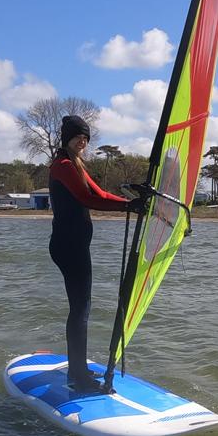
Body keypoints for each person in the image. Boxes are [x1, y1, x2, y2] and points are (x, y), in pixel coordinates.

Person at [48, 114, 146, 393]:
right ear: (67, 138)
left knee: (81, 308)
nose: (83, 141)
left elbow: (100, 193)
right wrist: (127, 206)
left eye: (86, 138)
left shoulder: (75, 164)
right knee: (81, 310)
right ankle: (78, 376)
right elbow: (88, 199)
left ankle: (76, 368)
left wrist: (131, 202)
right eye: (78, 137)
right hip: (69, 246)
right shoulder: (63, 166)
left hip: (74, 244)